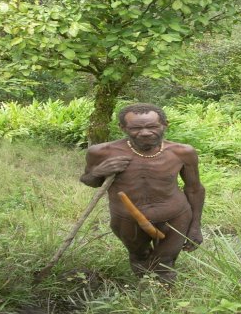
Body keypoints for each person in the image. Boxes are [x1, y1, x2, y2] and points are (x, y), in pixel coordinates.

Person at [80, 103, 205, 283]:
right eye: (136, 128)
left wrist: (195, 226)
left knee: (164, 263)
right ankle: (143, 291)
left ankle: (163, 299)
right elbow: (89, 181)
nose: (145, 132)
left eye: (152, 126)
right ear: (122, 128)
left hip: (175, 216)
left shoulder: (182, 152)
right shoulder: (102, 152)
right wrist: (98, 172)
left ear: (164, 124)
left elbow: (194, 189)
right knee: (139, 256)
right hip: (127, 219)